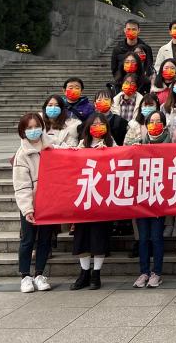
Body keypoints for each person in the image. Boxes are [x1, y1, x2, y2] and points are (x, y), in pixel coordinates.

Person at [71, 114, 114, 289]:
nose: (97, 127)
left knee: (99, 236)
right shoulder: (82, 144)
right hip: (84, 197)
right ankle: (84, 273)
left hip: (102, 198)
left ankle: (96, 274)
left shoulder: (111, 144)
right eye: (94, 124)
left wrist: (106, 152)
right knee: (82, 237)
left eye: (101, 124)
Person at [13, 112, 55, 292]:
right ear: (23, 131)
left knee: (45, 240)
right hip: (31, 203)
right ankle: (25, 276)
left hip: (49, 202)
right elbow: (21, 185)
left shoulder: (51, 147)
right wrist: (27, 209)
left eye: (36, 126)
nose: (33, 130)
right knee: (27, 240)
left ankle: (39, 274)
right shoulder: (22, 154)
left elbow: (71, 152)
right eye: (29, 127)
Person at [132, 111, 170, 288]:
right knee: (143, 238)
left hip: (159, 196)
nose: (154, 124)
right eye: (151, 121)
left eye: (158, 121)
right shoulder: (140, 143)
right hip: (142, 197)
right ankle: (144, 272)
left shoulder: (170, 144)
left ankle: (157, 272)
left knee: (156, 237)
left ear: (164, 124)